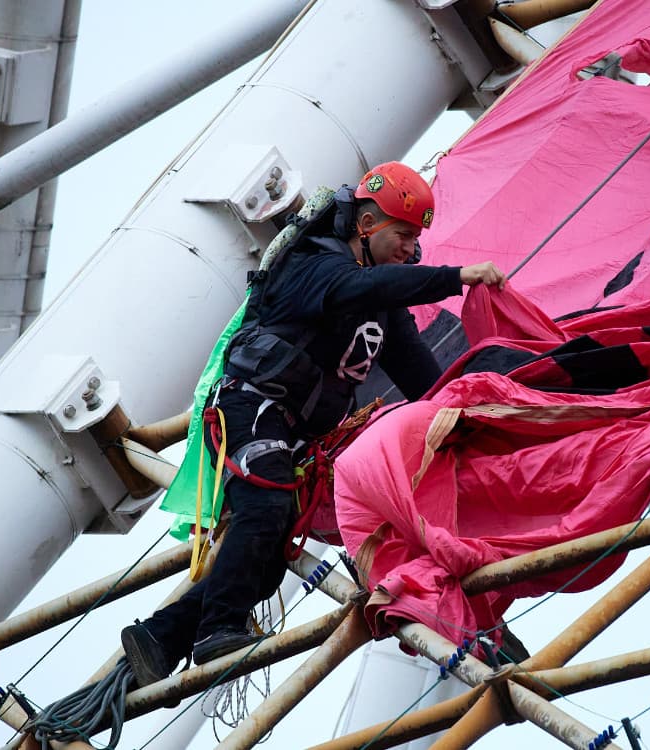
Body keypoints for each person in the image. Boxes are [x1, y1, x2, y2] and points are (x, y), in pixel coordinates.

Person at [121, 162, 506, 686]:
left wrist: (472, 416)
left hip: (294, 437)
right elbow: (355, 290)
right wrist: (453, 279)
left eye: (416, 240)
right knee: (265, 510)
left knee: (269, 550)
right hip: (249, 409)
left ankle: (160, 638)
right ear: (366, 226)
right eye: (402, 235)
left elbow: (424, 379)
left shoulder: (381, 309)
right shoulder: (312, 266)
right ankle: (217, 631)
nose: (410, 249)